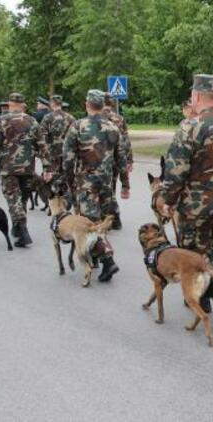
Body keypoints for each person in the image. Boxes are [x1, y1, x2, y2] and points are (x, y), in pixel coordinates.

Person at [160, 74, 213, 327]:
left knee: (191, 254)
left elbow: (176, 169)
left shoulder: (189, 126)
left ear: (196, 96)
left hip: (194, 207)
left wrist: (168, 199)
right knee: (212, 248)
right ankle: (205, 295)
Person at [63, 89, 130, 281]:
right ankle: (95, 258)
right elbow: (121, 159)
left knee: (89, 224)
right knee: (101, 222)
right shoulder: (113, 128)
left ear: (87, 104)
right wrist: (125, 184)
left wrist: (67, 182)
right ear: (102, 106)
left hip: (86, 184)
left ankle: (108, 260)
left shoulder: (77, 126)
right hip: (107, 184)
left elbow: (67, 159)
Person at [0, 93, 46, 248]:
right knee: (22, 198)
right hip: (27, 168)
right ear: (23, 104)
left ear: (10, 104)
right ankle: (17, 229)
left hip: (8, 168)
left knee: (13, 199)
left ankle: (22, 230)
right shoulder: (32, 121)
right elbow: (42, 146)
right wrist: (47, 166)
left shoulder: (2, 121)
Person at [102, 93, 133, 230]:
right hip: (116, 159)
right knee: (111, 189)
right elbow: (125, 141)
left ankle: (107, 219)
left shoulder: (97, 118)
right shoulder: (119, 119)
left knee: (100, 190)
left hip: (99, 160)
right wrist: (129, 160)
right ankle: (115, 218)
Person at [38, 95, 75, 195]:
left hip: (52, 153)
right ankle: (65, 201)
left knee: (52, 178)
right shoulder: (70, 118)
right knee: (65, 177)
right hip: (67, 153)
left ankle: (55, 204)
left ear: (51, 104)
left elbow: (42, 137)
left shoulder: (48, 117)